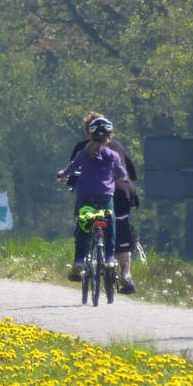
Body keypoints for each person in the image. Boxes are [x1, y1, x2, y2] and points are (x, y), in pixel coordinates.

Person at [66, 112, 139, 293]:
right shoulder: (117, 148)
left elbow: (72, 172)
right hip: (121, 194)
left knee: (84, 224)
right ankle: (125, 275)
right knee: (121, 234)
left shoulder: (82, 149)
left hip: (92, 196)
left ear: (87, 131)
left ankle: (82, 260)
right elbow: (131, 173)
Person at [57, 117, 128, 280]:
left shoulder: (83, 153)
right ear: (109, 136)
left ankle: (79, 261)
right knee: (110, 224)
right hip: (104, 197)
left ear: (90, 134)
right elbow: (122, 174)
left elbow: (69, 169)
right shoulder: (112, 155)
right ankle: (110, 258)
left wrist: (62, 174)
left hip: (85, 196)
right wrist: (121, 178)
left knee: (83, 227)